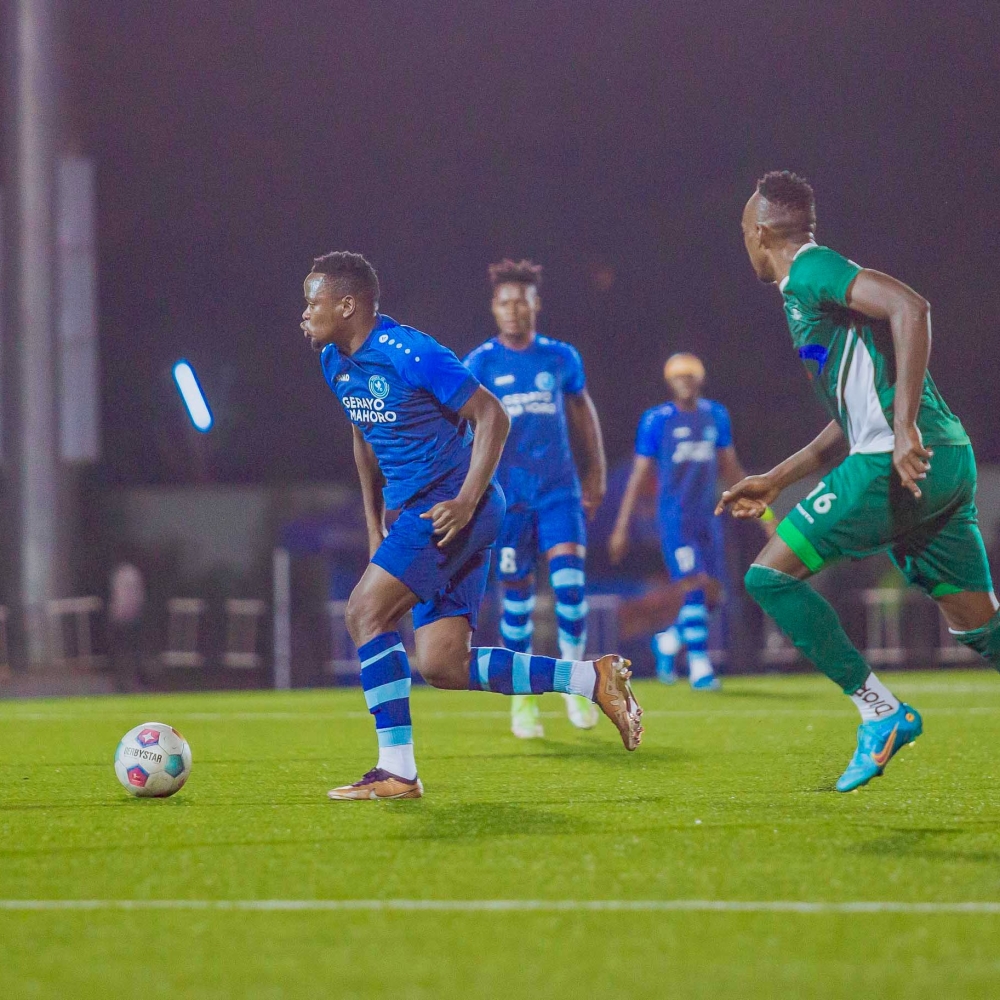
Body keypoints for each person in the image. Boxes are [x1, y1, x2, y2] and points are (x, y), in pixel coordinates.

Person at [301, 251, 642, 800]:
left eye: (312, 302)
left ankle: (397, 771)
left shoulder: (412, 352)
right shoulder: (333, 363)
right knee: (443, 665)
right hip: (427, 512)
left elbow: (492, 416)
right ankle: (590, 678)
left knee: (364, 612)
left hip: (452, 509)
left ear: (346, 305)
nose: (304, 313)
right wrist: (372, 523)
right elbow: (363, 437)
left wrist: (464, 501)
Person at [718, 170, 999, 791]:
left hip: (895, 461)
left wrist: (903, 428)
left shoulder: (811, 270)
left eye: (742, 232)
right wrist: (776, 478)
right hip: (943, 459)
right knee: (981, 627)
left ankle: (881, 713)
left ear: (759, 233)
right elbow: (849, 418)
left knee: (768, 578)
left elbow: (911, 306)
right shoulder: (809, 296)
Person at [464, 259, 607, 739]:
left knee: (570, 585)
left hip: (559, 491)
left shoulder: (560, 357)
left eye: (521, 302)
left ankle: (577, 685)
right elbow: (461, 423)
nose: (513, 310)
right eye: (505, 302)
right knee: (517, 603)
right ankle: (522, 701)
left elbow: (582, 410)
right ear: (494, 308)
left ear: (535, 305)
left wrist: (596, 470)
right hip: (507, 498)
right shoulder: (480, 363)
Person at [609, 353, 770, 689]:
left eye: (690, 376)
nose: (685, 382)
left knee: (714, 595)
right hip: (675, 519)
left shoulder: (715, 415)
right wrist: (622, 526)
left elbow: (730, 466)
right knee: (694, 585)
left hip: (708, 518)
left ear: (700, 379)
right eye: (678, 377)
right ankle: (699, 666)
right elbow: (639, 473)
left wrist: (763, 510)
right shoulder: (657, 420)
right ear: (669, 382)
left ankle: (669, 640)